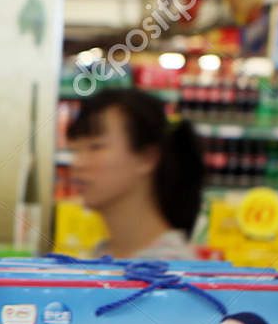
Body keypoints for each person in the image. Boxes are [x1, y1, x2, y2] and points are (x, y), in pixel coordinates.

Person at [67, 88, 204, 260]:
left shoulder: (168, 267)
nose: (77, 163)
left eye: (96, 147)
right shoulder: (104, 253)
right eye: (75, 150)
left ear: (147, 158)